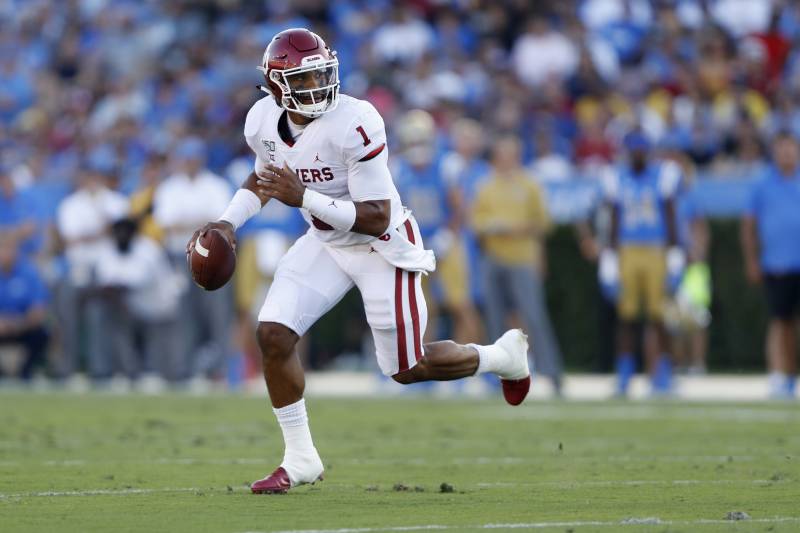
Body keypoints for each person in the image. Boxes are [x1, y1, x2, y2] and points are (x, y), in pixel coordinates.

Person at [189, 28, 531, 494]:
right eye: (304, 80)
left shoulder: (357, 120)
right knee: (272, 333)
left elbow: (375, 216)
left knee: (405, 369)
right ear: (274, 87)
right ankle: (301, 457)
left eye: (322, 75)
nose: (317, 88)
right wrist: (228, 222)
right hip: (326, 241)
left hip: (382, 247)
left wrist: (303, 195)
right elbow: (263, 178)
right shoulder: (261, 122)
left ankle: (503, 357)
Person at [471, 135, 564, 393]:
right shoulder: (486, 185)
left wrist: (513, 228)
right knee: (495, 317)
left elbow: (544, 223)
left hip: (523, 258)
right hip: (494, 258)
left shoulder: (530, 185)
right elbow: (476, 222)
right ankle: (495, 373)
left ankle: (552, 372)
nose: (504, 159)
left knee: (534, 316)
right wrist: (492, 227)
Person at [600, 131, 684, 396]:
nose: (638, 155)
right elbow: (613, 219)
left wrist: (674, 255)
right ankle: (625, 374)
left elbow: (670, 216)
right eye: (633, 150)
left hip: (656, 248)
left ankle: (664, 373)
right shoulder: (616, 177)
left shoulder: (663, 176)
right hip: (627, 249)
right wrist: (610, 260)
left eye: (641, 150)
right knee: (626, 316)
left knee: (660, 316)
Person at [154, 137, 233, 386]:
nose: (190, 163)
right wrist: (201, 224)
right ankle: (182, 369)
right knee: (182, 315)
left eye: (194, 157)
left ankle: (220, 371)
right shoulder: (169, 187)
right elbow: (165, 224)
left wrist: (190, 224)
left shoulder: (216, 185)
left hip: (214, 258)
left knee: (217, 315)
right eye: (186, 158)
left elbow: (221, 223)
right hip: (179, 257)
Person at [741, 131, 800, 399]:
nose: (787, 154)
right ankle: (780, 374)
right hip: (777, 263)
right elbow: (749, 226)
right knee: (780, 321)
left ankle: (792, 373)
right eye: (782, 149)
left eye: (791, 149)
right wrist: (752, 260)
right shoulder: (762, 184)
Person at [0, 234, 49, 381]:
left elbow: (38, 310)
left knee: (42, 333)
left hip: (23, 326)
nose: (6, 254)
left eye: (9, 249)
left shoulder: (29, 272)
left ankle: (25, 372)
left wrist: (17, 324)